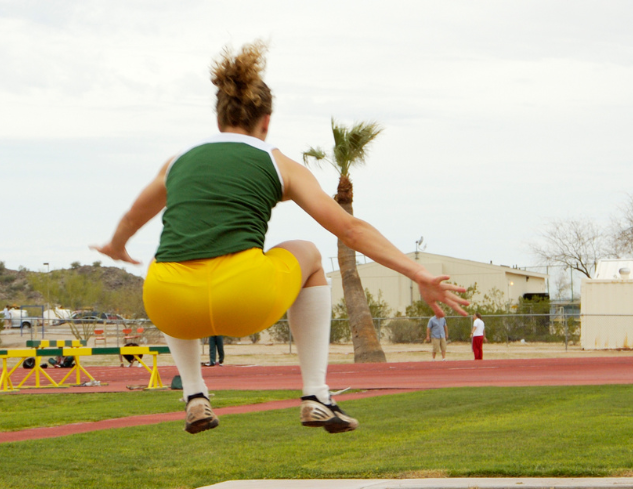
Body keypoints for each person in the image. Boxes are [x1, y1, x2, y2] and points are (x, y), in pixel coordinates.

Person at [92, 41, 469, 434]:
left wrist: (116, 246)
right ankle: (316, 395)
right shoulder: (277, 161)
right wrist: (417, 273)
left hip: (169, 304)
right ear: (266, 122)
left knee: (166, 259)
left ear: (219, 117)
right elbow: (350, 229)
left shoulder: (177, 162)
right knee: (308, 252)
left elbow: (135, 214)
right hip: (245, 298)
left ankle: (194, 394)